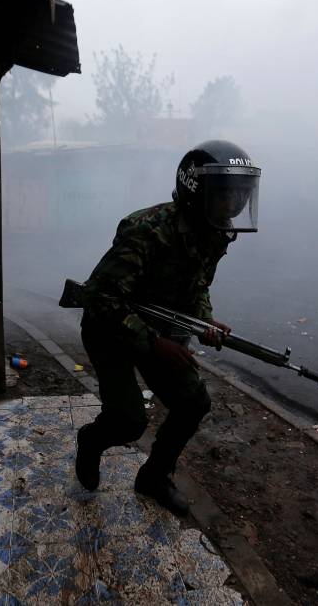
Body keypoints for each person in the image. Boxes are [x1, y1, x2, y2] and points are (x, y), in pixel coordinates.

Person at [75, 140, 261, 515]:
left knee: (194, 402)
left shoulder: (215, 229)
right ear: (198, 191)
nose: (237, 202)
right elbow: (101, 298)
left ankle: (154, 477)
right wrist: (155, 344)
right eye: (228, 193)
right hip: (110, 330)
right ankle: (91, 440)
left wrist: (205, 320)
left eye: (243, 192)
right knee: (129, 422)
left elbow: (197, 287)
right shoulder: (147, 229)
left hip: (160, 331)